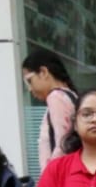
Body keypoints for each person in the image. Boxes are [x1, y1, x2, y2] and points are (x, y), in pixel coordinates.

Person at [21, 48, 79, 178]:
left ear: (44, 72)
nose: (30, 89)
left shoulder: (56, 97)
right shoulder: (70, 95)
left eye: (29, 81)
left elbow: (62, 145)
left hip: (59, 178)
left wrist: (49, 180)